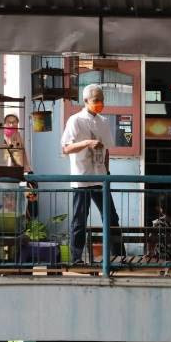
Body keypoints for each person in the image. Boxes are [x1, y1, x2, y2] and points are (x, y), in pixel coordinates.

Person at [61, 84, 126, 264]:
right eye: (96, 100)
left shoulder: (103, 122)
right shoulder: (75, 120)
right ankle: (76, 259)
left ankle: (120, 256)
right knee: (79, 220)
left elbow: (106, 151)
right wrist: (87, 143)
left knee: (111, 217)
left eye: (102, 100)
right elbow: (66, 148)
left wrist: (107, 173)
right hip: (81, 178)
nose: (100, 103)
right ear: (85, 101)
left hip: (100, 176)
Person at [2, 114, 38, 219]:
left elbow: (18, 160)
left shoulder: (16, 136)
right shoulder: (4, 137)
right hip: (12, 177)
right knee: (11, 206)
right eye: (9, 122)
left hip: (23, 175)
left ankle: (28, 229)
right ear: (4, 124)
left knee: (29, 207)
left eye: (14, 122)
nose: (12, 124)